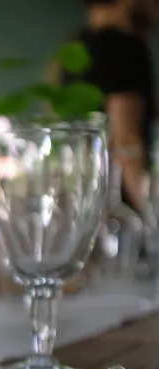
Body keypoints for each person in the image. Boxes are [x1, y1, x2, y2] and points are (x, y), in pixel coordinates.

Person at [65, 0, 156, 212]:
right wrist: (152, 217)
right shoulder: (124, 48)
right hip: (121, 211)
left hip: (84, 204)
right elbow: (126, 142)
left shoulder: (77, 47)